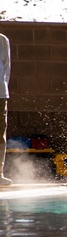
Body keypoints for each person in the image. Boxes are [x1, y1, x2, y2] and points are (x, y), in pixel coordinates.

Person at [0, 32, 10, 186]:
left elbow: (7, 67)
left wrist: (3, 88)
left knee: (0, 133)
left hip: (0, 94)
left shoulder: (2, 40)